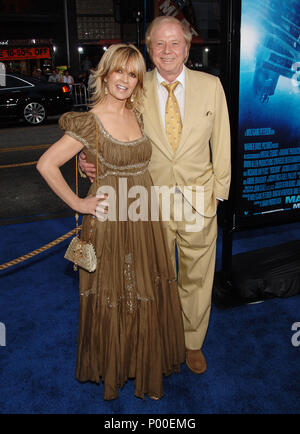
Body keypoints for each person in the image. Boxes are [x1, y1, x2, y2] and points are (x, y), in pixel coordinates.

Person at [79, 16, 231, 375]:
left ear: (187, 47)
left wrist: (219, 195)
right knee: (154, 278)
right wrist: (89, 160)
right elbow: (105, 125)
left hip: (199, 199)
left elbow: (222, 142)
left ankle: (193, 342)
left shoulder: (211, 86)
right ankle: (162, 340)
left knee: (196, 276)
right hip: (147, 202)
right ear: (149, 49)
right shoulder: (135, 86)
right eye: (159, 44)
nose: (167, 51)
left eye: (175, 43)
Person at [37, 43, 185, 401]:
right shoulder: (89, 121)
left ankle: (140, 360)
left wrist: (94, 167)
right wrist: (80, 203)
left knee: (144, 288)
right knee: (114, 293)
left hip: (142, 215)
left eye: (133, 74)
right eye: (119, 71)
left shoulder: (138, 114)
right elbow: (46, 164)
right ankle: (116, 366)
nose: (125, 80)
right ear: (105, 74)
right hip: (109, 221)